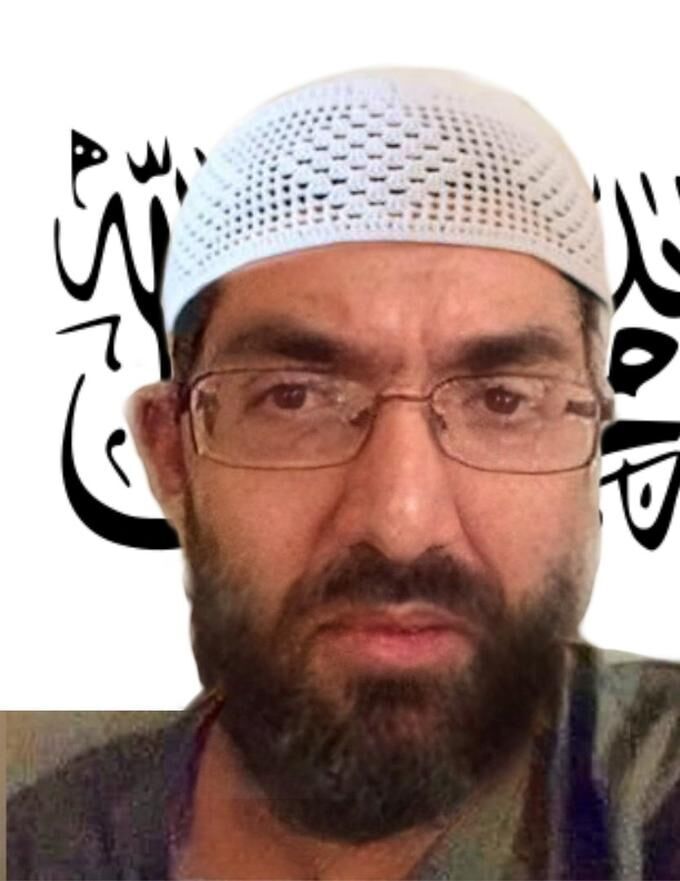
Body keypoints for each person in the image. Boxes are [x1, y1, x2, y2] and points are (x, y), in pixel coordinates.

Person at [7, 68, 680, 880]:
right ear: (172, 456)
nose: (402, 521)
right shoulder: (38, 841)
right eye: (294, 397)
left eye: (503, 400)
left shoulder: (653, 796)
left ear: (594, 449)